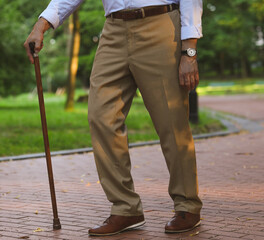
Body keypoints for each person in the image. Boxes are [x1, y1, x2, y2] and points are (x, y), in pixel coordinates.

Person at [24, 0, 203, 236]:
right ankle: (125, 208)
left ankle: (187, 206)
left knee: (171, 122)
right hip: (113, 31)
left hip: (161, 26)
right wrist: (41, 25)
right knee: (101, 116)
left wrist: (189, 51)